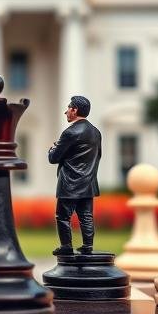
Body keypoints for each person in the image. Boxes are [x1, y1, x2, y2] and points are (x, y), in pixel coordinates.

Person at [48, 96, 102, 256]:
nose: (66, 111)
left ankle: (66, 246)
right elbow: (98, 156)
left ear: (75, 110)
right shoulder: (96, 132)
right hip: (88, 181)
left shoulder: (70, 132)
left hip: (70, 183)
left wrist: (52, 149)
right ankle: (88, 245)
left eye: (68, 108)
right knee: (86, 216)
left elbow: (54, 158)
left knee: (63, 216)